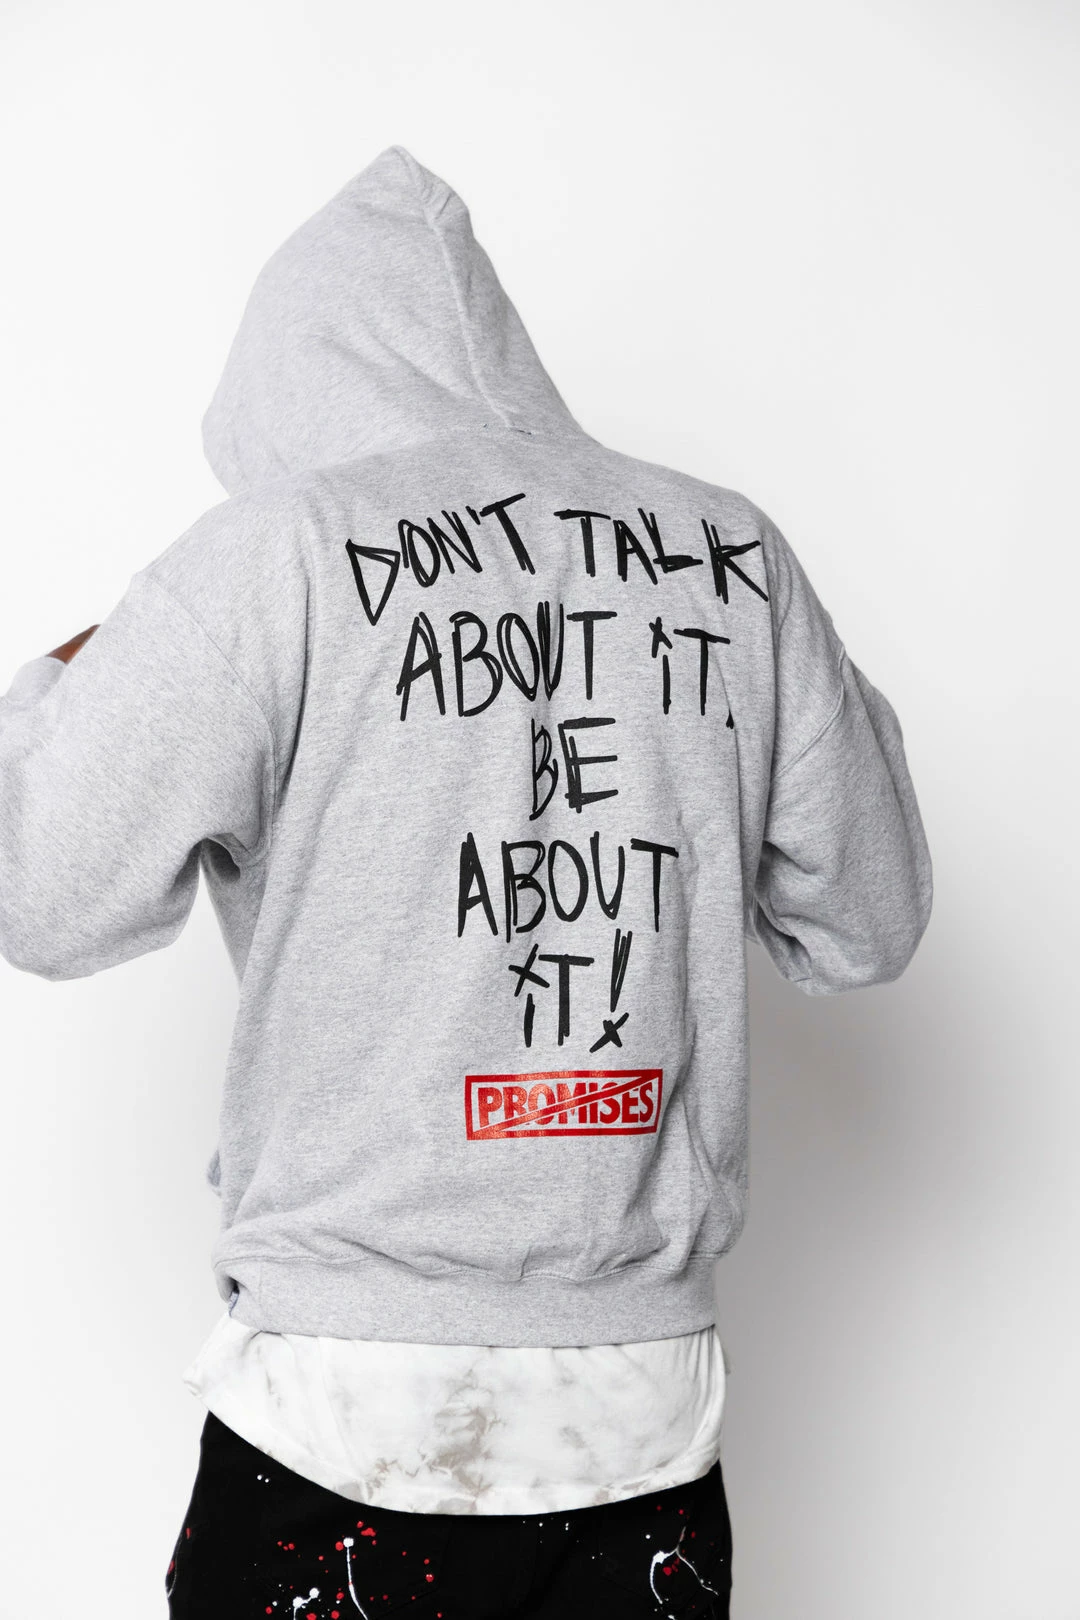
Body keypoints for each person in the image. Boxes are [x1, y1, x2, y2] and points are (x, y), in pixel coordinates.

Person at [0, 146, 933, 1619]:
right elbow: (872, 919)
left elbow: (43, 894)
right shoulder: (732, 556)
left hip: (341, 1400)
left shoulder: (275, 555)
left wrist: (61, 686)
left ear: (283, 399)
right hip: (640, 1404)